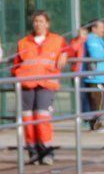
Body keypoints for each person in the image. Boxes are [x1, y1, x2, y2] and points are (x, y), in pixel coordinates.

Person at [12, 11, 68, 165]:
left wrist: (64, 55)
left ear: (47, 23)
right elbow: (16, 63)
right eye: (35, 21)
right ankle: (32, 151)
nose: (38, 24)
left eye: (41, 21)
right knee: (28, 119)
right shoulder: (23, 42)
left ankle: (46, 151)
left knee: (42, 117)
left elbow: (66, 50)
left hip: (46, 84)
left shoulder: (57, 40)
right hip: (26, 84)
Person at [83, 20, 104, 131]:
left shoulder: (99, 40)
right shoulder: (90, 39)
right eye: (101, 27)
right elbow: (97, 54)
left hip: (101, 76)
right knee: (98, 102)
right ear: (94, 28)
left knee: (100, 101)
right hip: (94, 78)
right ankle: (96, 125)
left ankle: (96, 123)